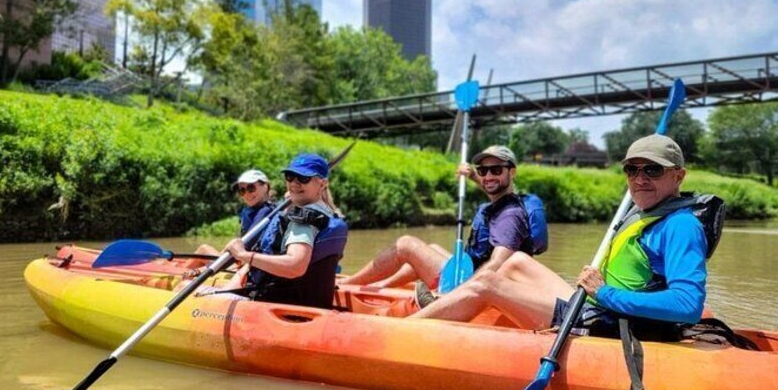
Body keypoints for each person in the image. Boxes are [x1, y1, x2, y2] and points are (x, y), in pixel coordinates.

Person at [411, 134, 708, 340]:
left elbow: (687, 306)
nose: (640, 179)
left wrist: (604, 293)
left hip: (615, 322)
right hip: (601, 305)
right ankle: (446, 302)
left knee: (488, 284)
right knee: (516, 261)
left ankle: (405, 330)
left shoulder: (681, 226)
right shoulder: (649, 209)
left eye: (653, 170)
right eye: (632, 169)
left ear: (678, 176)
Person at [342, 145, 536, 291]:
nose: (488, 176)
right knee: (433, 248)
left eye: (496, 170)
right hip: (471, 273)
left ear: (512, 171)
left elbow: (497, 264)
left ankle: (347, 285)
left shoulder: (510, 216)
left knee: (406, 244)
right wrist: (474, 177)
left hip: (471, 284)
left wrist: (461, 292)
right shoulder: (505, 202)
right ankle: (381, 287)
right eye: (483, 170)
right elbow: (493, 188)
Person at [208, 153, 349, 309]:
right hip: (310, 303)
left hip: (278, 305)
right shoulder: (329, 215)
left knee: (184, 287)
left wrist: (243, 255)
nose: (294, 183)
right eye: (290, 177)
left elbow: (295, 266)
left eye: (303, 178)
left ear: (322, 184)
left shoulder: (303, 221)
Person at [191, 169, 275, 261]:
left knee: (203, 249)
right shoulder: (256, 210)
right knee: (204, 249)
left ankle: (184, 274)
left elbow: (246, 244)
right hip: (241, 259)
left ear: (265, 186)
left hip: (246, 263)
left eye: (251, 188)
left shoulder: (266, 211)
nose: (247, 194)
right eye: (242, 191)